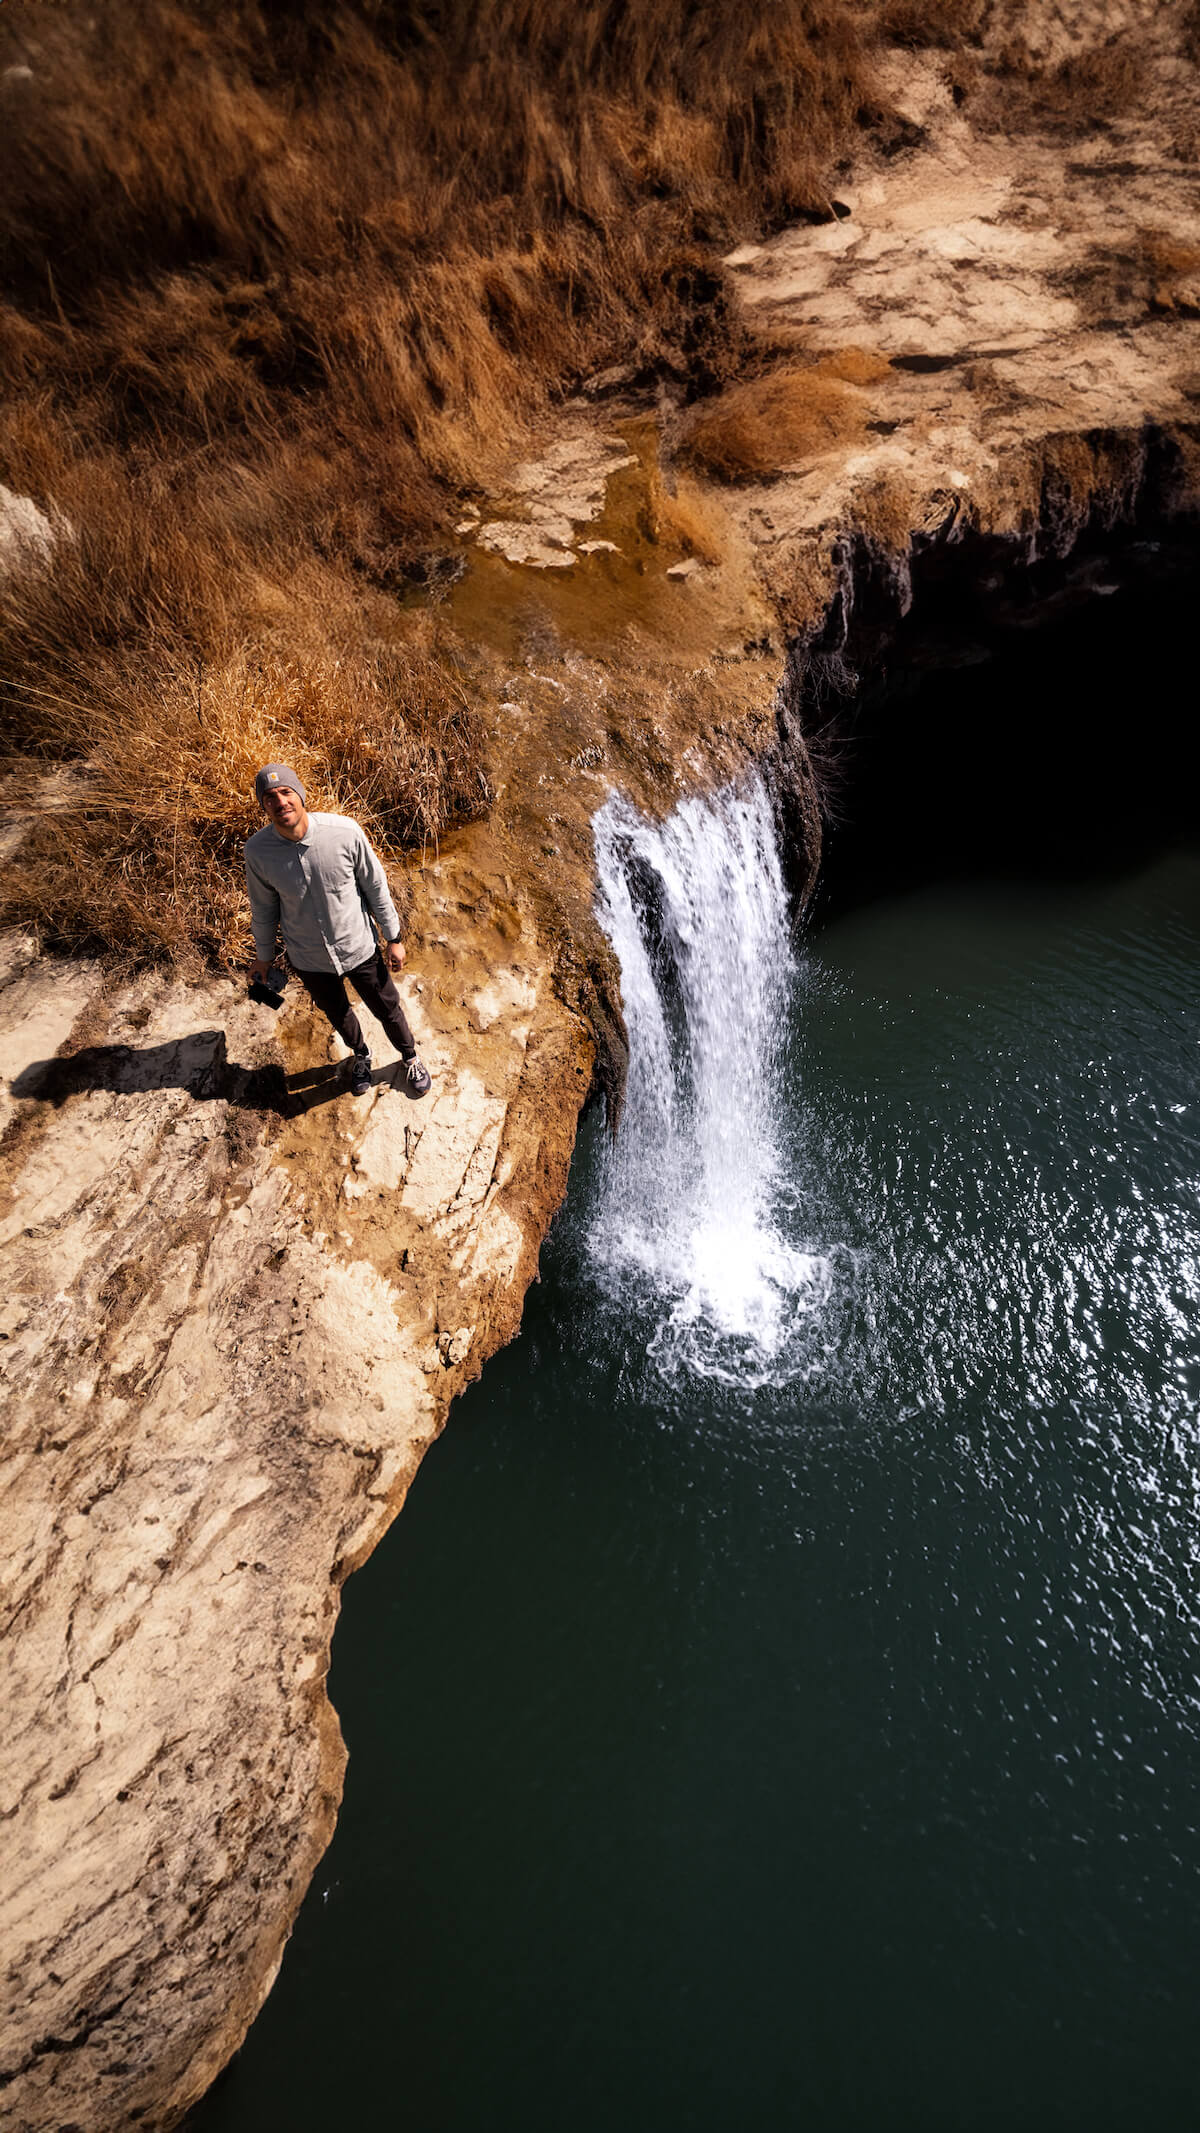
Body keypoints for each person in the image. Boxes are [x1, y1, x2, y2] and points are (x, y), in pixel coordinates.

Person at [245, 763, 431, 1100]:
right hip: (309, 957)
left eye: (286, 792)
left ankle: (410, 1057)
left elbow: (375, 886)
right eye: (270, 797)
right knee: (338, 1013)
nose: (280, 802)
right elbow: (264, 909)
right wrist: (263, 959)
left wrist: (394, 938)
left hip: (359, 947)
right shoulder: (258, 852)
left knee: (387, 1007)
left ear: (300, 795)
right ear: (264, 805)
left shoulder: (343, 831)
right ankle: (361, 1056)